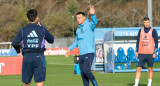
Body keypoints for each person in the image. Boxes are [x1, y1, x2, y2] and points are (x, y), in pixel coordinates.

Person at [12, 9, 54, 86]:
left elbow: (14, 43)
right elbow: (51, 40)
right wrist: (43, 27)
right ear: (37, 18)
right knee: (39, 82)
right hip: (39, 57)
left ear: (27, 19)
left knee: (26, 82)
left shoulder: (23, 30)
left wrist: (18, 50)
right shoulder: (42, 29)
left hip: (27, 56)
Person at [65, 5, 98, 86]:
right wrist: (69, 49)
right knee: (83, 74)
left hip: (89, 53)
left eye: (79, 18)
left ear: (84, 18)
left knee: (86, 71)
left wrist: (93, 15)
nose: (77, 20)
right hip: (81, 54)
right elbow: (77, 41)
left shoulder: (89, 25)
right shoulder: (78, 30)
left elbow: (95, 22)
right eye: (76, 18)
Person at [134, 17, 158, 86]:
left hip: (150, 53)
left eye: (147, 22)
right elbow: (138, 41)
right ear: (143, 23)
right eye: (145, 22)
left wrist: (155, 52)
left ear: (149, 22)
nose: (146, 24)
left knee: (150, 69)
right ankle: (136, 84)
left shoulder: (153, 31)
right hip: (141, 53)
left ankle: (149, 84)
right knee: (138, 68)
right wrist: (136, 51)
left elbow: (156, 42)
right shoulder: (140, 30)